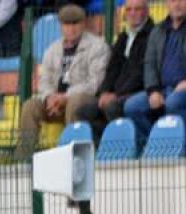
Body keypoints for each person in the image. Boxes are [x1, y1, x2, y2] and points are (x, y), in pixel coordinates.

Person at [17, 4, 109, 158]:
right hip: (55, 102)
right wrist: (49, 98)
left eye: (75, 24)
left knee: (74, 103)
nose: (71, 29)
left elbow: (95, 83)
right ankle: (24, 158)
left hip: (84, 99)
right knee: (30, 106)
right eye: (67, 24)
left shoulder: (97, 46)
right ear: (61, 26)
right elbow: (44, 80)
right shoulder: (52, 50)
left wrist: (65, 97)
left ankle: (72, 156)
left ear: (84, 24)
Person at [74, 0, 152, 139]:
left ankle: (124, 146)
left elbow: (141, 73)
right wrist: (104, 92)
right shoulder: (123, 37)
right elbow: (112, 69)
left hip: (138, 91)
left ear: (147, 11)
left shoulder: (152, 35)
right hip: (116, 93)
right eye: (129, 10)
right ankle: (100, 149)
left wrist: (117, 95)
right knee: (83, 111)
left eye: (137, 9)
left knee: (112, 107)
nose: (132, 13)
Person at [123, 0, 186, 142]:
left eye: (181, 0)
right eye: (173, 1)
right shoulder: (158, 31)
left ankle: (180, 147)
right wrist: (153, 91)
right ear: (167, 4)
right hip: (163, 89)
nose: (177, 4)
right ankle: (154, 144)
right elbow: (149, 64)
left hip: (182, 89)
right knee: (132, 106)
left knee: (173, 102)